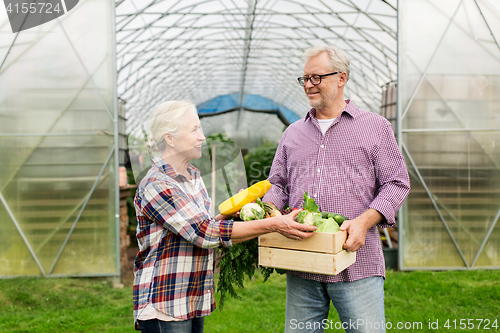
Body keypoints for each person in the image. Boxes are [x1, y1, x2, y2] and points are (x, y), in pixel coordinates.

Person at [132, 100, 316, 333]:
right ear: (170, 138)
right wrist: (273, 224)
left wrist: (230, 217)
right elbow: (204, 233)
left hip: (191, 296)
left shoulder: (192, 178)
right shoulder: (157, 184)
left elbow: (199, 226)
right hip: (165, 302)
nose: (202, 137)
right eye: (194, 129)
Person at [262, 45, 411, 333]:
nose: (308, 85)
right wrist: (269, 214)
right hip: (302, 260)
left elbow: (396, 182)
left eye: (316, 77)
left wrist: (364, 221)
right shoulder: (293, 133)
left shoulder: (374, 127)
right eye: (305, 78)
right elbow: (278, 184)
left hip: (357, 261)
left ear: (341, 78)